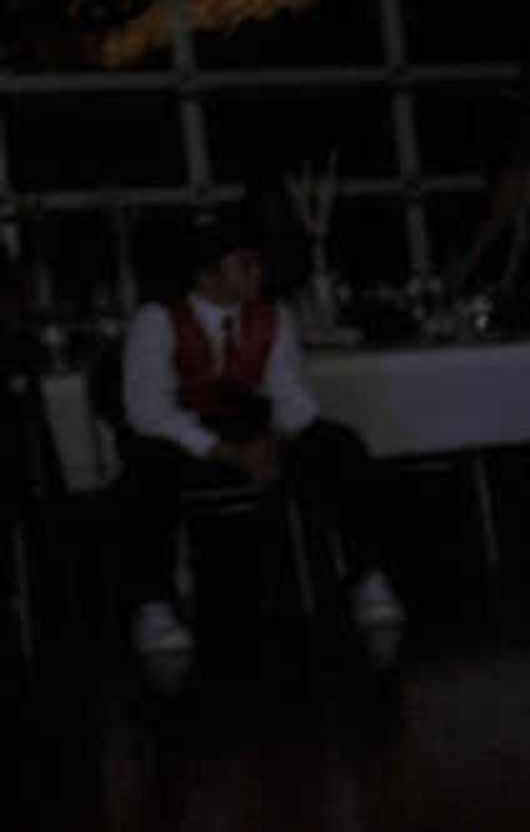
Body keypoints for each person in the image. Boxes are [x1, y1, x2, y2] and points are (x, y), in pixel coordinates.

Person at [115, 210, 399, 680]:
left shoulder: (273, 317)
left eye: (256, 264)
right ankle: (154, 604)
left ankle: (368, 574)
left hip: (251, 429)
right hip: (187, 438)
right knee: (147, 470)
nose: (256, 274)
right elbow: (149, 411)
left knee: (341, 445)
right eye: (243, 265)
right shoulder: (159, 320)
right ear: (207, 276)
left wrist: (275, 443)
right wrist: (227, 453)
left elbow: (286, 395)